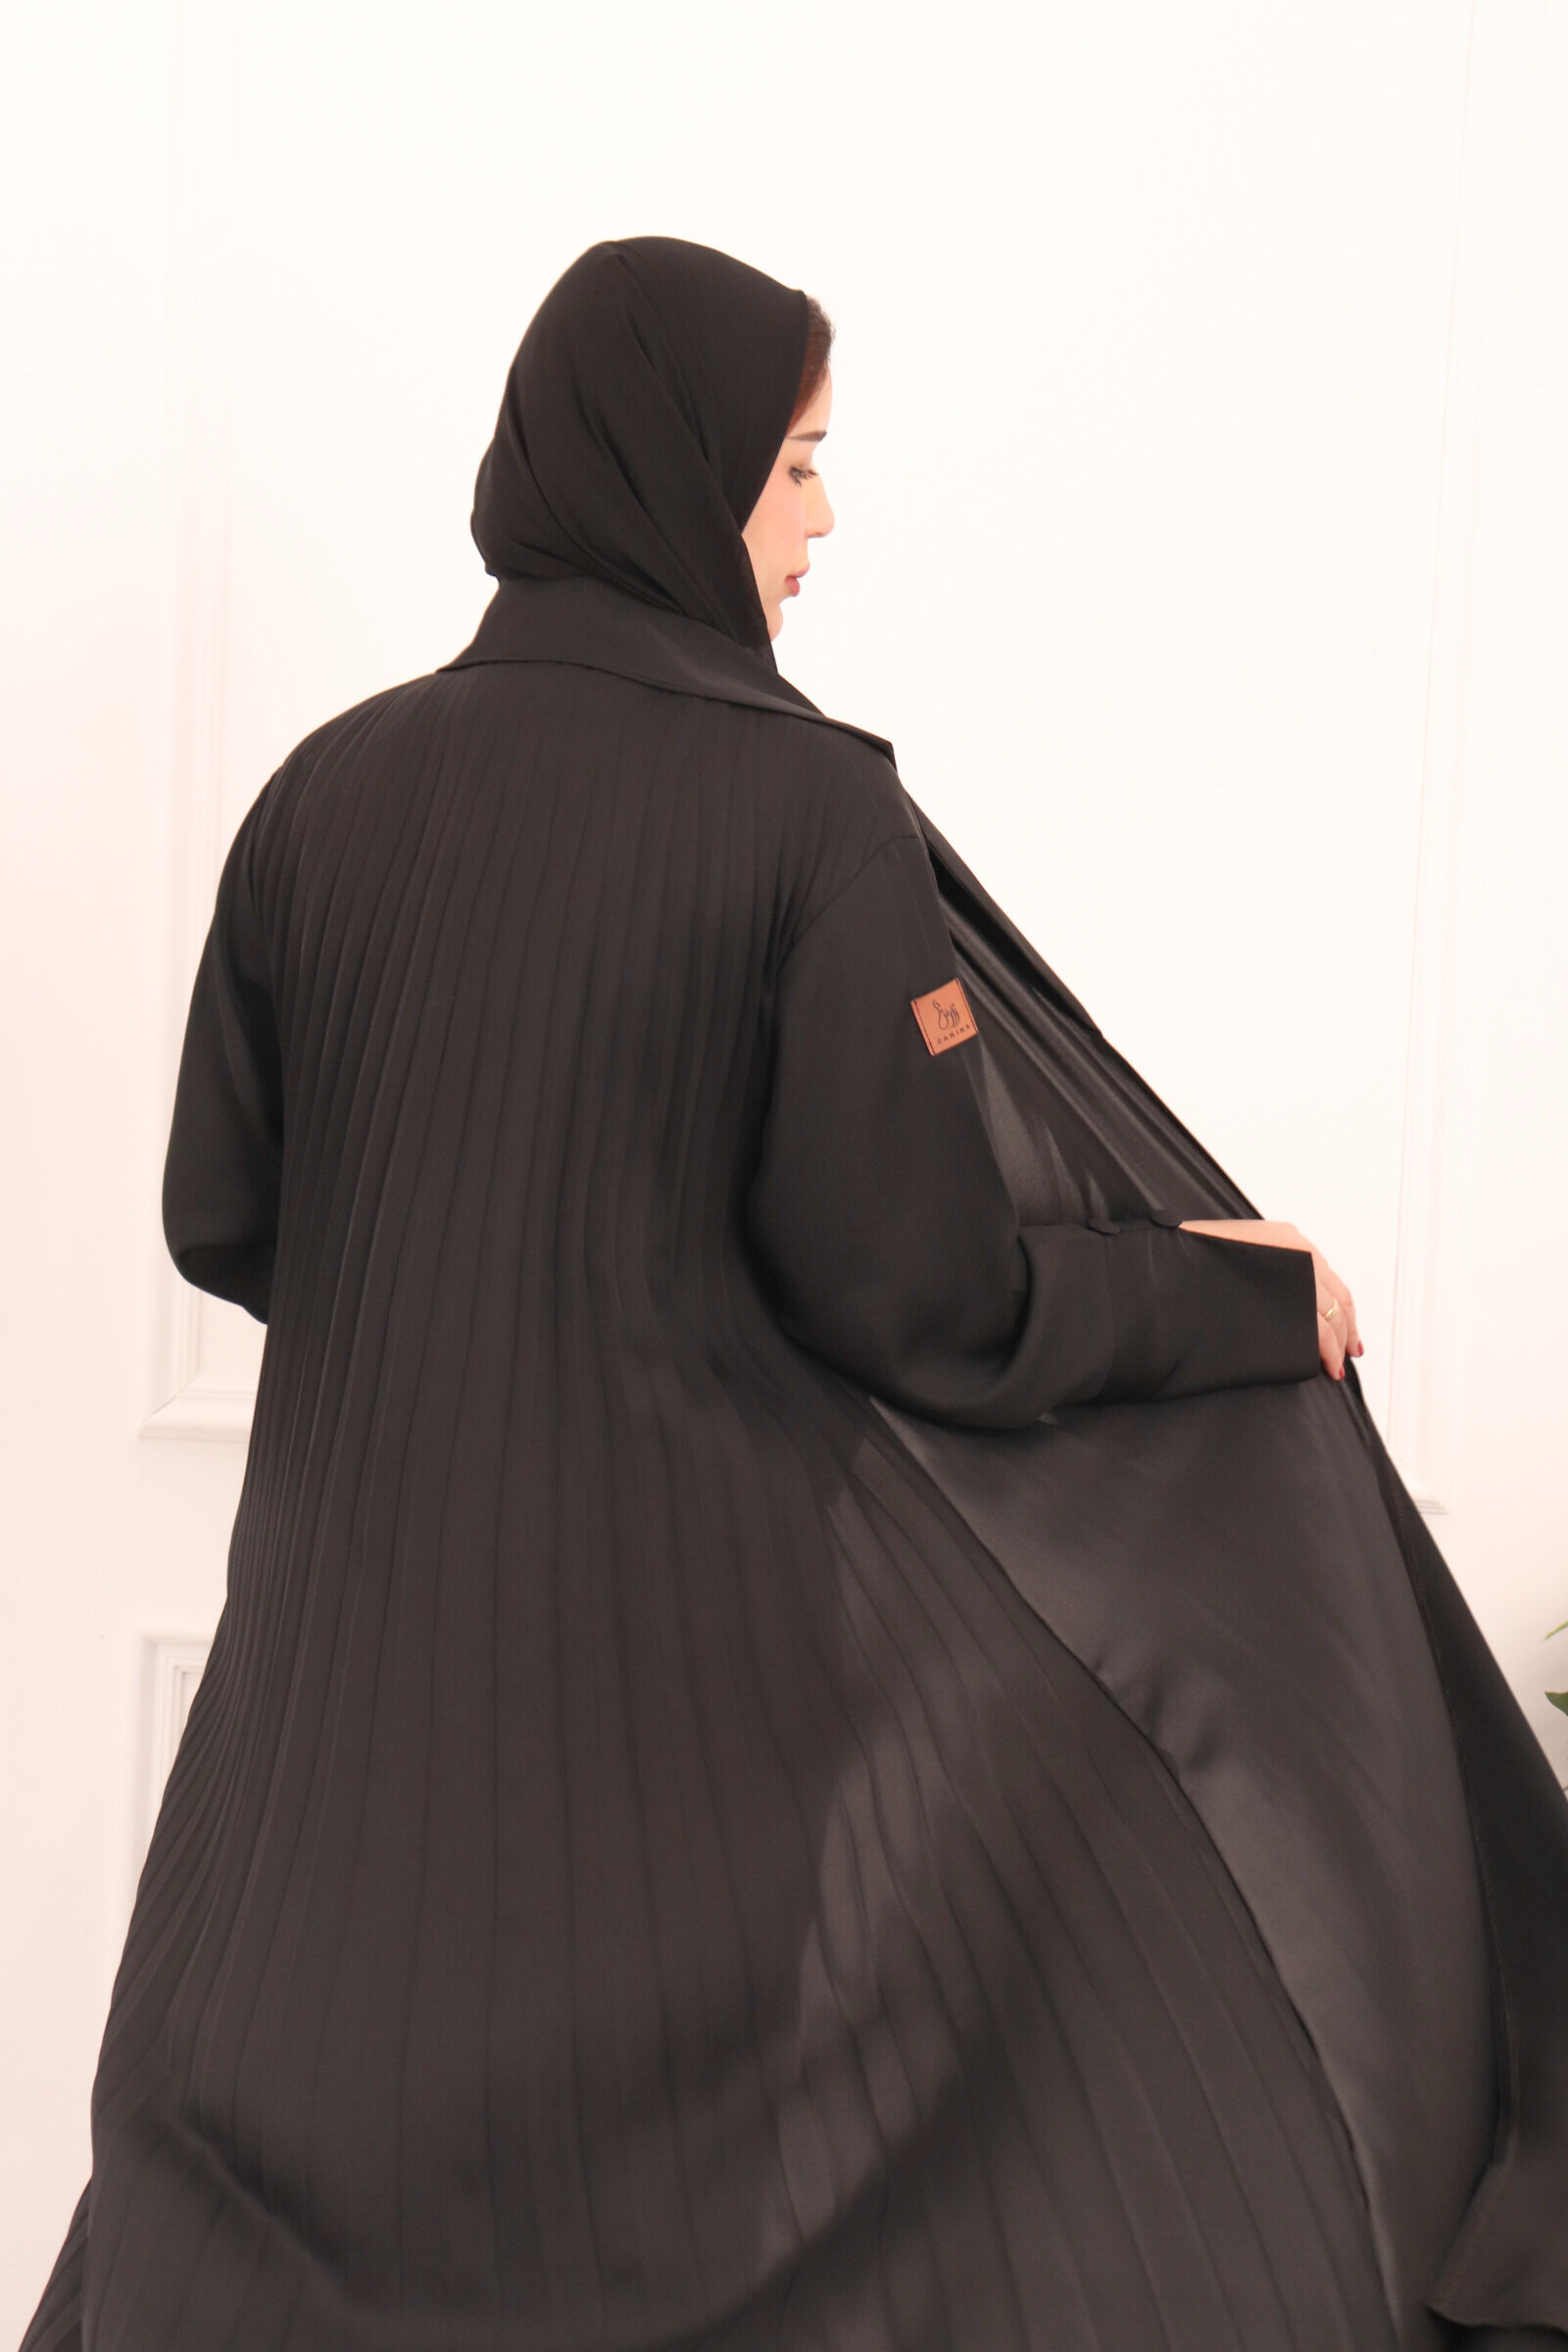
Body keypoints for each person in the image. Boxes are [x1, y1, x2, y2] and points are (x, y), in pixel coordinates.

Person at [24, 236, 1568, 2352]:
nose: (823, 520)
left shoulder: (323, 790)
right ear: (684, 474)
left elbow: (225, 1217)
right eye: (799, 465)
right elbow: (928, 1303)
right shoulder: (803, 805)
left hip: (323, 1712)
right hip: (659, 1716)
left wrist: (485, 1285)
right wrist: (1229, 1299)